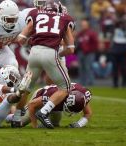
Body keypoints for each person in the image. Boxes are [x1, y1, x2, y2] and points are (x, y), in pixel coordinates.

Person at [14, 0, 75, 128]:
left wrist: (33, 41)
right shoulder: (65, 18)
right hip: (51, 53)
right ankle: (44, 112)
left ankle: (16, 118)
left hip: (34, 54)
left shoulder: (35, 13)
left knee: (25, 88)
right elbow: (70, 49)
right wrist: (57, 56)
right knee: (66, 88)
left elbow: (20, 39)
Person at [6, 82, 92, 129]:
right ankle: (10, 114)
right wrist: (34, 126)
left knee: (54, 124)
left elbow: (88, 113)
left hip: (56, 106)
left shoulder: (81, 96)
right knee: (19, 123)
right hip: (40, 98)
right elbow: (32, 104)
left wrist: (80, 124)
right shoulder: (54, 95)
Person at [76, 18, 98, 86]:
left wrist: (91, 50)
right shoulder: (80, 33)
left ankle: (90, 81)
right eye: (82, 25)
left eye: (84, 25)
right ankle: (82, 81)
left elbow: (95, 43)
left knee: (88, 67)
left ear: (88, 25)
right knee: (81, 68)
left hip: (89, 53)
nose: (83, 26)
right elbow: (78, 42)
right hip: (81, 52)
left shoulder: (92, 33)